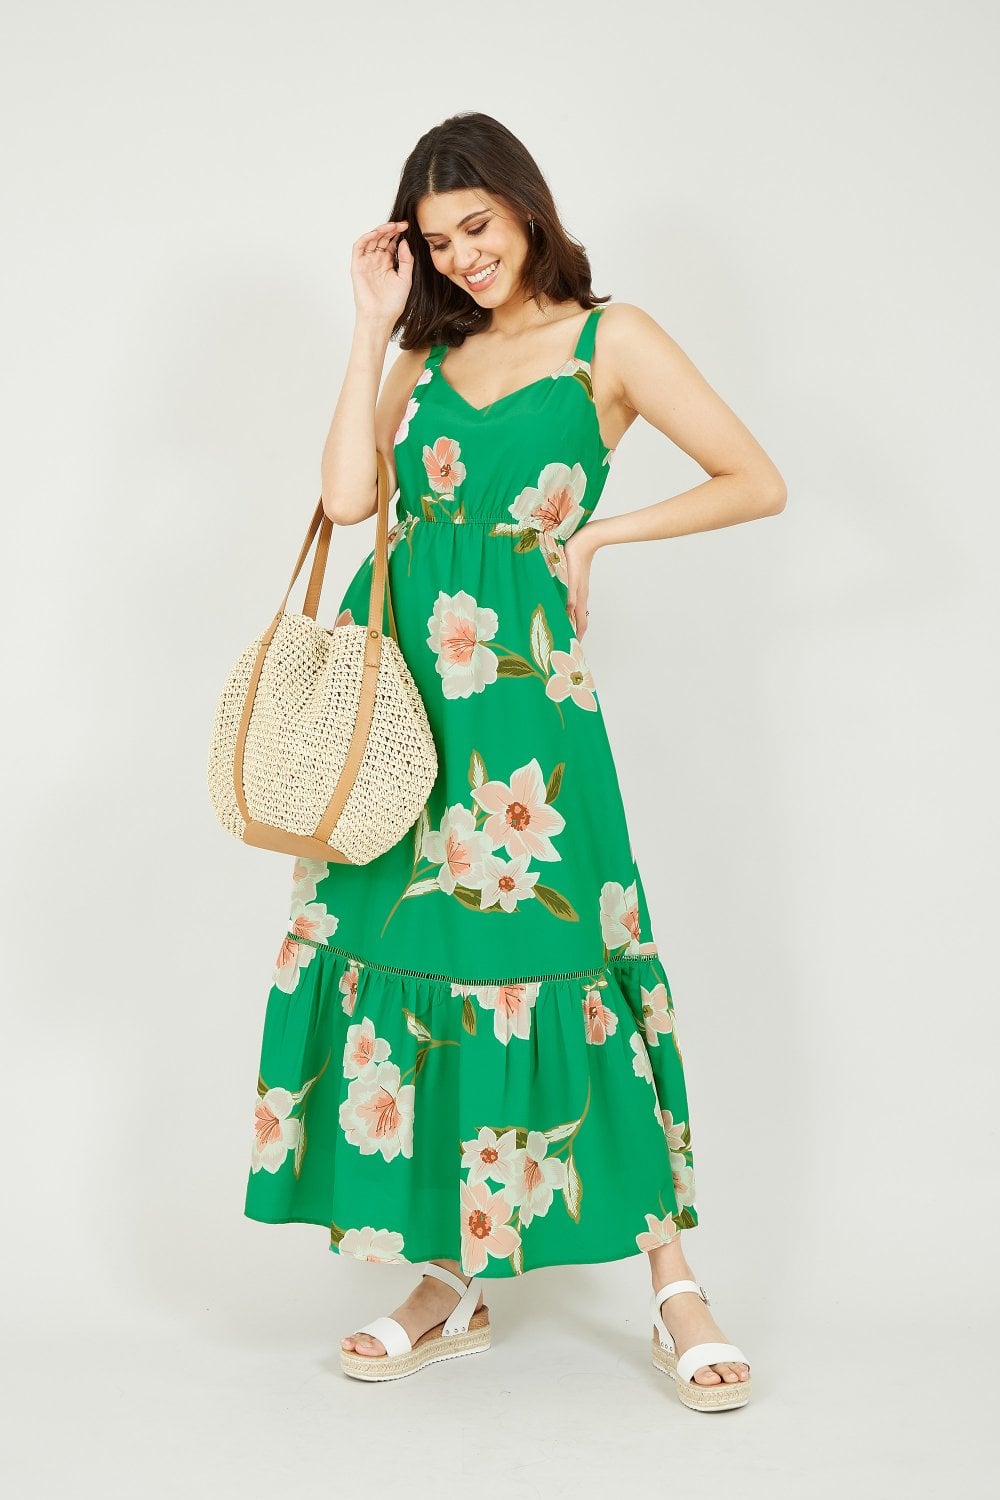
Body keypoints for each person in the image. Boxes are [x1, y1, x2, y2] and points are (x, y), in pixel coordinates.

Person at [244, 112, 786, 1412]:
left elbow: (754, 479)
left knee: (566, 948)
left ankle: (674, 1284)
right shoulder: (424, 352)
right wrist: (370, 325)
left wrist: (597, 540)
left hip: (526, 714)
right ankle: (451, 1277)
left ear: (526, 208)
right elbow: (349, 503)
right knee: (412, 954)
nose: (463, 257)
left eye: (476, 226)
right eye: (438, 241)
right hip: (400, 713)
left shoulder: (611, 340)